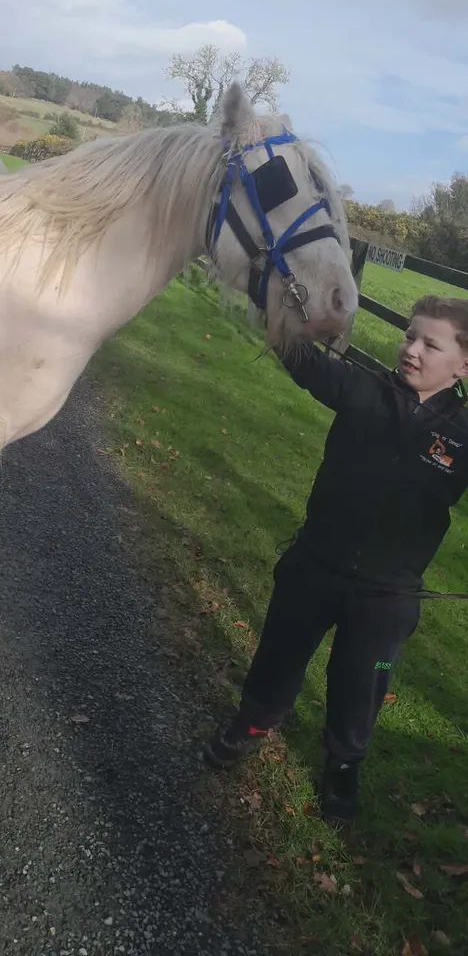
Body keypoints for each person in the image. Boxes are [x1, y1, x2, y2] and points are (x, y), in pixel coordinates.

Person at [201, 294, 468, 824]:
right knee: (279, 653)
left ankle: (343, 766)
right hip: (315, 565)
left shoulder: (461, 436)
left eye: (429, 343)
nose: (411, 349)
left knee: (361, 682)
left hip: (386, 596)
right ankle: (253, 722)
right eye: (408, 336)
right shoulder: (362, 389)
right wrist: (271, 295)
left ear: (463, 364)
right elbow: (299, 356)